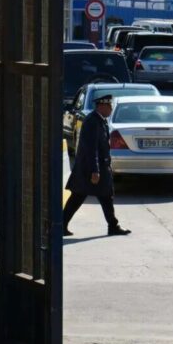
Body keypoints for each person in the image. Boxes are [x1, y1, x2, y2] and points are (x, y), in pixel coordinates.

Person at [64, 94, 131, 237]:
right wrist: (95, 171)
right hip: (91, 169)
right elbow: (91, 148)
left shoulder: (100, 120)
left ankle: (113, 225)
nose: (111, 109)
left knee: (104, 197)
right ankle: (61, 225)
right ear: (102, 106)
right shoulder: (92, 122)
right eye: (109, 106)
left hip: (96, 167)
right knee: (80, 197)